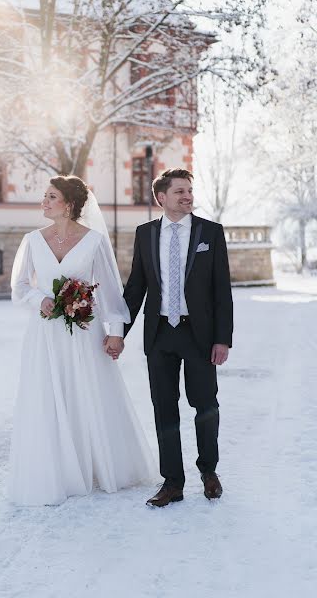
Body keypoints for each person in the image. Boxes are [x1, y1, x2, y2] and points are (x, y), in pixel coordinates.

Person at [8, 175, 155, 506]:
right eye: (44, 196)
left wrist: (116, 334)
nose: (43, 202)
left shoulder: (94, 242)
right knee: (48, 397)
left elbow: (111, 294)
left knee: (87, 394)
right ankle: (57, 470)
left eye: (51, 196)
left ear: (69, 204)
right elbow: (19, 286)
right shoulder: (32, 240)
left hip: (84, 333)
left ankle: (97, 463)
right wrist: (38, 300)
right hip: (45, 335)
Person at [107, 168, 233, 507]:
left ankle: (209, 472)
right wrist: (118, 333)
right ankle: (172, 482)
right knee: (165, 409)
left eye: (189, 190)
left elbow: (222, 290)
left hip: (200, 335)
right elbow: (136, 288)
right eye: (179, 191)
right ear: (161, 197)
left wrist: (222, 339)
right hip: (160, 333)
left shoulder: (210, 232)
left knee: (205, 404)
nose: (187, 196)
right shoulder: (145, 234)